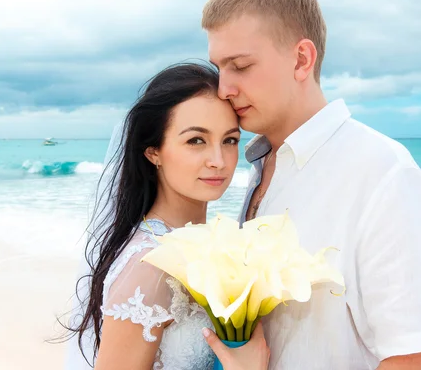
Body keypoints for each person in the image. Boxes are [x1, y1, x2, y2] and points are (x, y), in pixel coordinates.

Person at [200, 0, 421, 369]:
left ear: (302, 59)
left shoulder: (383, 174)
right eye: (219, 67)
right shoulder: (259, 166)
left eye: (240, 66)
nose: (223, 88)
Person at [62, 62, 270, 370]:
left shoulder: (210, 246)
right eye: (196, 140)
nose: (219, 160)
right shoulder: (150, 265)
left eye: (229, 140)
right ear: (153, 152)